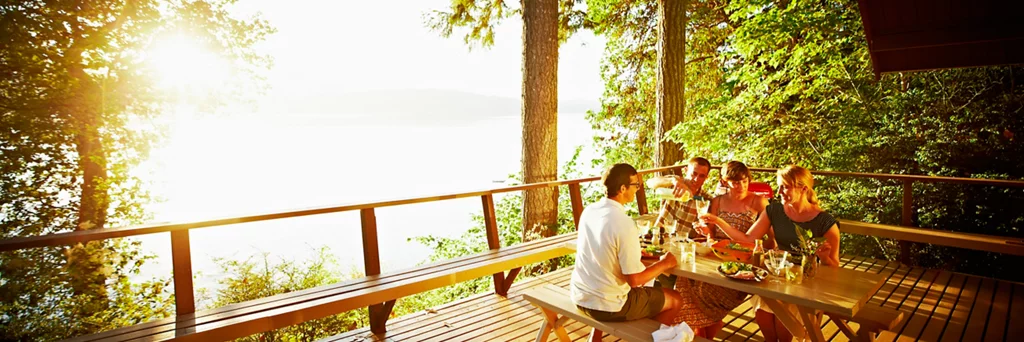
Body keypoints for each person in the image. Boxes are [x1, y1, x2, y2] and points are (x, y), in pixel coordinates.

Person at [697, 165, 840, 342]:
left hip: (806, 282)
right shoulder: (774, 211)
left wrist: (825, 257)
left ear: (803, 188)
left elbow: (834, 265)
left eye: (785, 187)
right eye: (779, 186)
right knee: (763, 313)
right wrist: (718, 222)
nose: (779, 191)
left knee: (783, 321)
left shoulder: (825, 222)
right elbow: (748, 239)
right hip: (777, 276)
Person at [570, 163, 683, 341]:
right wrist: (665, 263)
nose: (638, 189)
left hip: (580, 296)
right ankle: (649, 338)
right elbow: (635, 280)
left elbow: (604, 249)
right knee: (675, 298)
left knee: (650, 294)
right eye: (635, 185)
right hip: (609, 306)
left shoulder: (589, 211)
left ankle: (597, 337)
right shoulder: (624, 222)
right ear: (623, 188)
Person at [670, 161, 768, 338]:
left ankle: (698, 335)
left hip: (740, 267)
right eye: (735, 182)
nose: (741, 186)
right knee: (685, 280)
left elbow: (766, 240)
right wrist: (707, 231)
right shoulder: (716, 202)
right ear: (724, 181)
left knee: (703, 293)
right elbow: (712, 238)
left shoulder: (759, 202)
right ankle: (703, 337)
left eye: (745, 181)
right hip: (714, 260)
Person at [648, 157, 713, 235]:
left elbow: (709, 231)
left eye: (701, 176)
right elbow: (650, 183)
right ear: (686, 170)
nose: (696, 179)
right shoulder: (674, 183)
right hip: (660, 235)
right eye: (694, 174)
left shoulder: (705, 199)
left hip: (685, 243)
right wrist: (672, 181)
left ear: (706, 178)